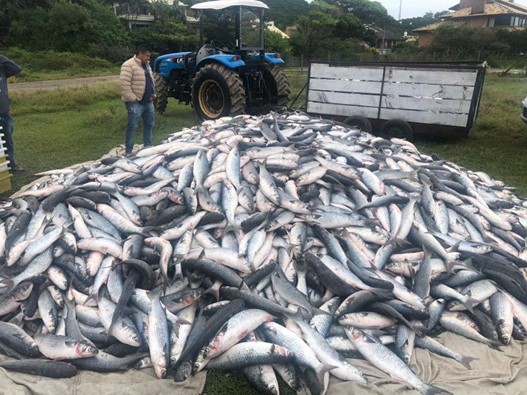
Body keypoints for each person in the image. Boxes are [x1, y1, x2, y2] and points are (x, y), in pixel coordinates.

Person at [119, 45, 156, 155]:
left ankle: (148, 145)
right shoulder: (128, 65)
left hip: (148, 102)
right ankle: (129, 151)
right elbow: (124, 84)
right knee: (133, 126)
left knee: (150, 124)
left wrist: (153, 93)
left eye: (149, 56)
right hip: (135, 103)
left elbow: (150, 80)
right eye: (147, 56)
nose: (148, 58)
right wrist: (132, 98)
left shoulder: (146, 65)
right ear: (140, 53)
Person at [0, 55, 23, 172]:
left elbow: (17, 69)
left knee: (8, 138)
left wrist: (1, 58)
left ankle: (11, 165)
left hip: (4, 112)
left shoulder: (2, 70)